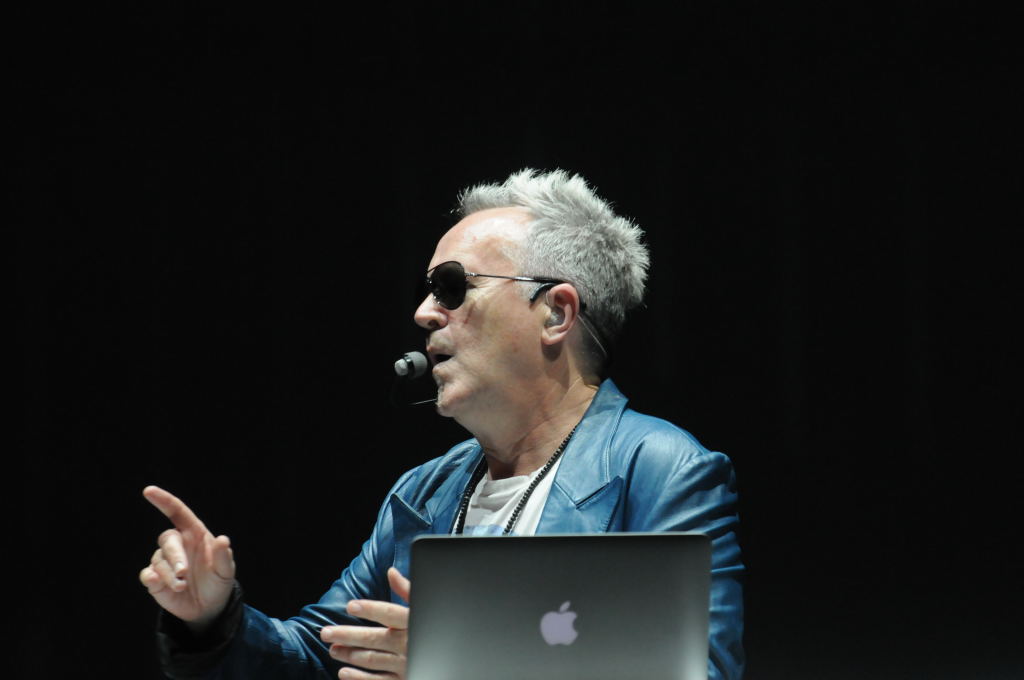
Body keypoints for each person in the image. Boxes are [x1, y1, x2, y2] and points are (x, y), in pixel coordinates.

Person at [140, 169, 745, 680]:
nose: (424, 313)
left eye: (452, 287)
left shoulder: (661, 470)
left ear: (556, 313)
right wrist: (214, 619)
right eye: (429, 290)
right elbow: (321, 658)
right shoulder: (422, 493)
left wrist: (462, 666)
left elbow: (703, 673)